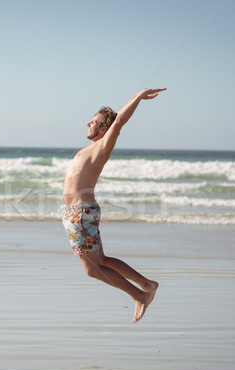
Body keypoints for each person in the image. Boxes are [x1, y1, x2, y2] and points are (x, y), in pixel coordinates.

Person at [61, 88, 166, 323]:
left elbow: (119, 121)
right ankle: (147, 284)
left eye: (94, 122)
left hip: (81, 213)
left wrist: (138, 96)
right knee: (103, 262)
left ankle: (140, 295)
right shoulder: (89, 148)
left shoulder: (102, 146)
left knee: (91, 269)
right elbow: (115, 118)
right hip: (76, 213)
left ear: (104, 130)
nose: (88, 123)